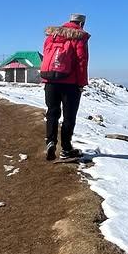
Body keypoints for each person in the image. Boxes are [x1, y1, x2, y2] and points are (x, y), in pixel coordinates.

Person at [41, 13, 90, 160]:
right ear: (81, 23)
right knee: (69, 116)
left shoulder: (52, 36)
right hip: (70, 84)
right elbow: (82, 62)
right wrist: (81, 83)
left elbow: (46, 55)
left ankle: (50, 141)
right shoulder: (79, 36)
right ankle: (66, 149)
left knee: (52, 112)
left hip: (50, 81)